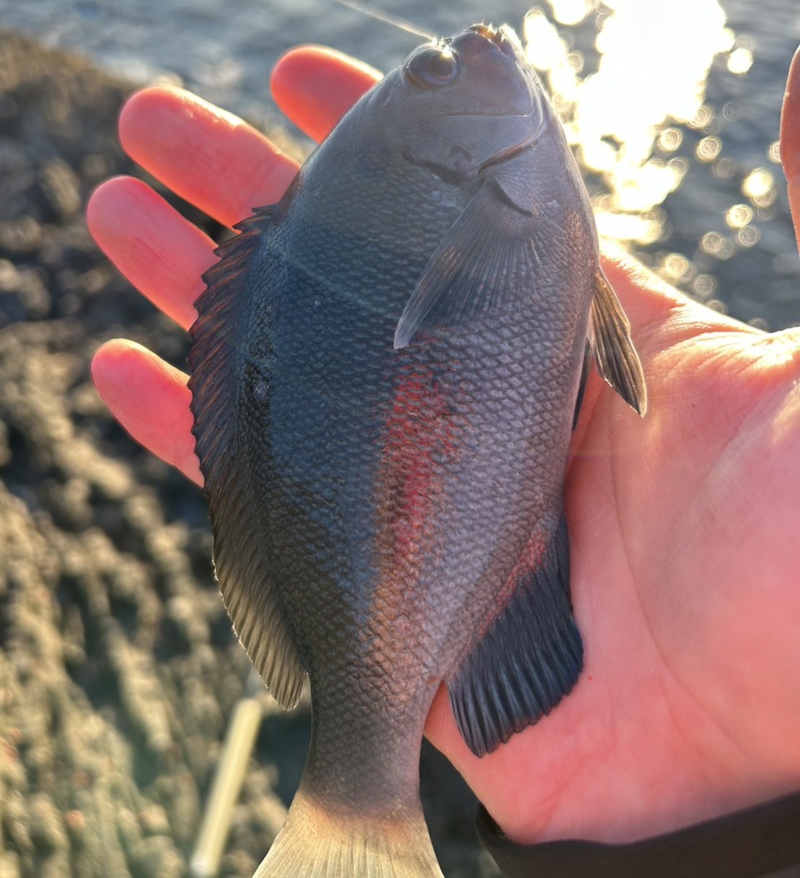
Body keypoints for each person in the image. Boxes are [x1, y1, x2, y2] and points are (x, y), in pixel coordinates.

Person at [86, 43, 800, 876]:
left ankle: (354, 795)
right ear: (420, 159)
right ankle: (356, 799)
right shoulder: (508, 195)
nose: (474, 46)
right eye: (435, 69)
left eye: (427, 70)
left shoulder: (476, 195)